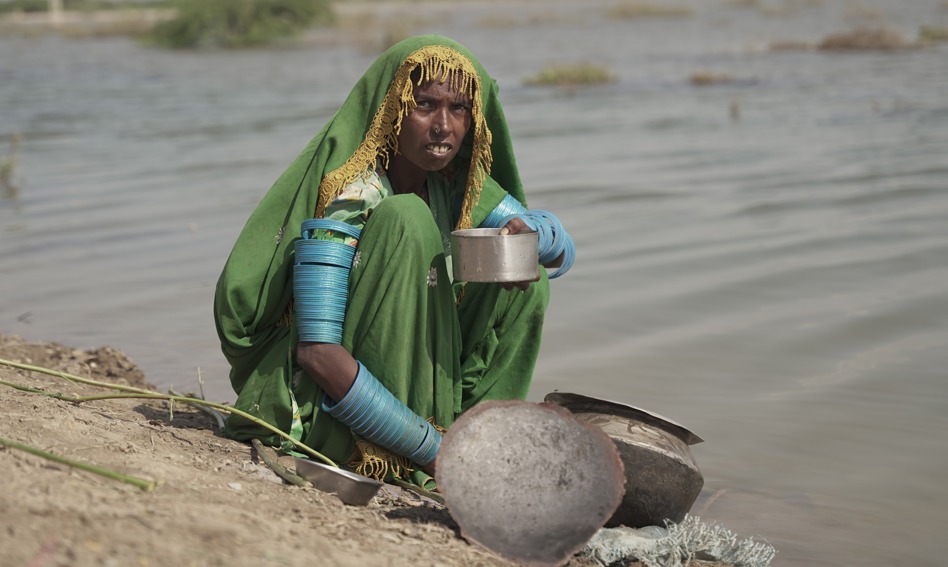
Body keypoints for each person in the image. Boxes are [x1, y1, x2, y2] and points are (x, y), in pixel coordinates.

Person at [214, 35, 574, 489]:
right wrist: (434, 454)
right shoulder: (352, 195)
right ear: (392, 110)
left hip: (418, 418)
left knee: (530, 273)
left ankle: (479, 445)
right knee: (407, 219)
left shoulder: (454, 187)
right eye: (425, 105)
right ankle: (423, 451)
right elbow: (318, 353)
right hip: (327, 408)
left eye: (459, 109)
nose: (444, 125)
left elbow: (561, 249)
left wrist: (535, 237)